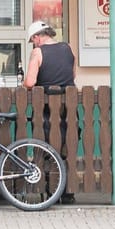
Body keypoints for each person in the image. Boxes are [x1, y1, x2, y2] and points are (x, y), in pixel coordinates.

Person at [22, 20, 79, 202]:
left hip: (46, 111)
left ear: (37, 37)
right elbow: (73, 75)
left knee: (47, 148)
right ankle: (68, 192)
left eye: (33, 40)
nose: (33, 43)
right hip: (69, 109)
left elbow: (30, 83)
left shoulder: (38, 52)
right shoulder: (68, 48)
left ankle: (51, 189)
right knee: (67, 148)